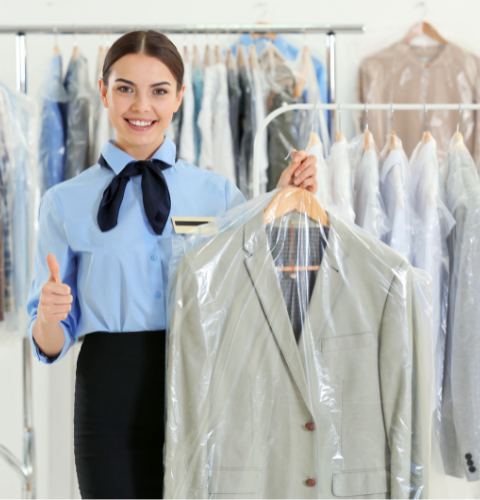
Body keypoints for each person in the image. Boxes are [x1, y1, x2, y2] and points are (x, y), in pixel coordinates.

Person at [26, 30, 318, 499]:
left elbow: (253, 290)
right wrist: (48, 316)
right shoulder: (64, 202)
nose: (141, 106)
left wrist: (282, 199)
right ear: (103, 91)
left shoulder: (218, 193)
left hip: (199, 378)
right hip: (108, 393)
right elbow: (50, 344)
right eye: (125, 88)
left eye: (159, 91)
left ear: (180, 97)